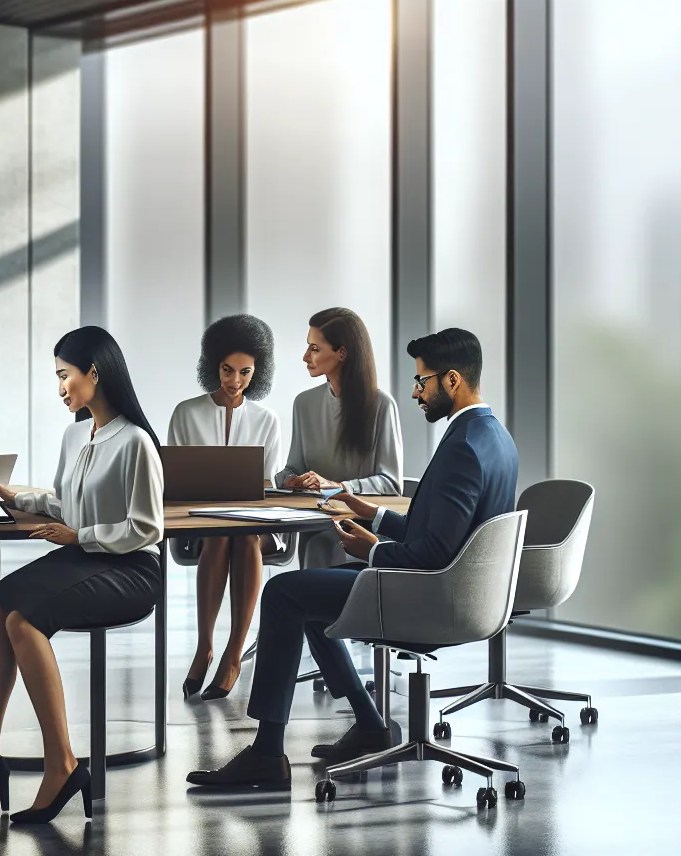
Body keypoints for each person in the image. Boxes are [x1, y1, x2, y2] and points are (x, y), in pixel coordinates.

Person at [186, 328, 519, 791]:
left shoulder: (461, 447)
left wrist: (373, 549)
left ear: (453, 381)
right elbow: (443, 535)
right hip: (457, 591)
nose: (415, 392)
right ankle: (369, 725)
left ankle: (266, 754)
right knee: (314, 588)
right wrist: (375, 514)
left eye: (423, 382)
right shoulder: (494, 438)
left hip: (430, 595)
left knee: (284, 593)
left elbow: (436, 553)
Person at [0, 326, 164, 824]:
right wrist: (16, 497)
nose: (60, 387)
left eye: (65, 375)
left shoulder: (136, 441)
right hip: (84, 557)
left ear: (94, 373)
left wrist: (79, 538)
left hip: (131, 567)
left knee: (23, 620)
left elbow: (145, 527)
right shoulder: (77, 433)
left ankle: (62, 763)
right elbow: (67, 504)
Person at [167, 314, 283, 700]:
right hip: (204, 523)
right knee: (220, 536)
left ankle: (233, 653)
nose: (235, 381)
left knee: (244, 535)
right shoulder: (186, 412)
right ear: (212, 363)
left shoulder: (268, 420)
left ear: (258, 371)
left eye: (246, 372)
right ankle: (205, 647)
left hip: (257, 524)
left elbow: (268, 484)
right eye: (227, 370)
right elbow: (176, 480)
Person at [274, 307, 405, 568]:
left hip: (360, 531)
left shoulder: (382, 405)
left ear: (341, 353)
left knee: (322, 548)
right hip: (315, 523)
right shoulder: (304, 404)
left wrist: (339, 487)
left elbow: (390, 482)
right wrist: (291, 479)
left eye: (314, 349)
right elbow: (291, 467)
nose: (305, 357)